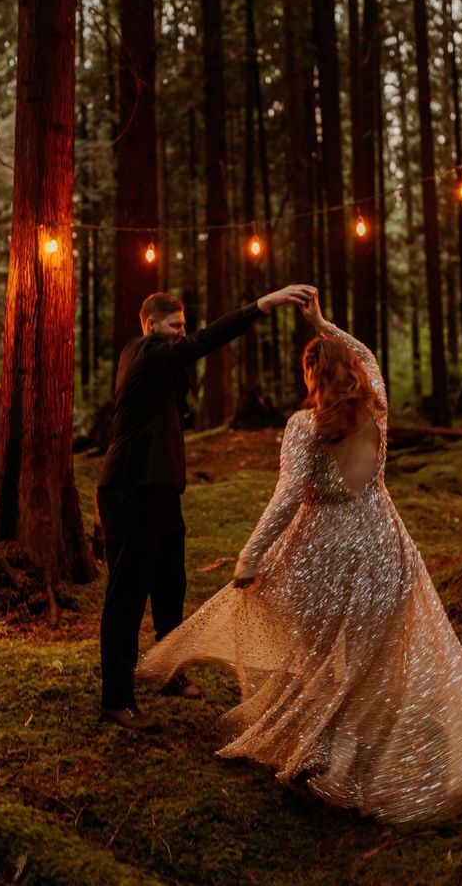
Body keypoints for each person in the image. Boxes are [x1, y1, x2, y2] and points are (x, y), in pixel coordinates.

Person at [137, 291, 462, 823]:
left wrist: (250, 554)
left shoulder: (304, 427)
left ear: (311, 376)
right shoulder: (377, 403)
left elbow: (286, 498)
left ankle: (327, 752)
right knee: (367, 659)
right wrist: (324, 323)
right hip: (382, 548)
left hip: (323, 556)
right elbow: (367, 353)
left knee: (320, 658)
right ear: (350, 369)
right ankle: (344, 751)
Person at [98, 284, 316, 730]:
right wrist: (262, 303)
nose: (182, 334)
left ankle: (167, 668)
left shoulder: (161, 361)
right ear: (151, 325)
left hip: (160, 489)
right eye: (174, 327)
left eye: (183, 325)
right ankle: (115, 698)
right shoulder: (144, 351)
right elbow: (203, 343)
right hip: (129, 489)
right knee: (127, 593)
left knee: (169, 583)